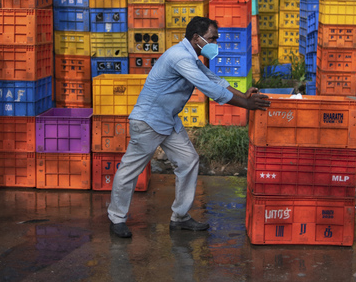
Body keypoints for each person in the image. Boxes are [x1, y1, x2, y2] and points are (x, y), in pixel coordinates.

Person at [108, 16, 270, 238]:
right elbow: (209, 89)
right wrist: (247, 105)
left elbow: (215, 80)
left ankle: (180, 217)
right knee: (130, 169)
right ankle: (116, 218)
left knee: (188, 161)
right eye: (212, 39)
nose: (215, 44)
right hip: (149, 121)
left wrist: (244, 96)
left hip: (168, 119)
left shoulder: (191, 57)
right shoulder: (179, 57)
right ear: (197, 38)